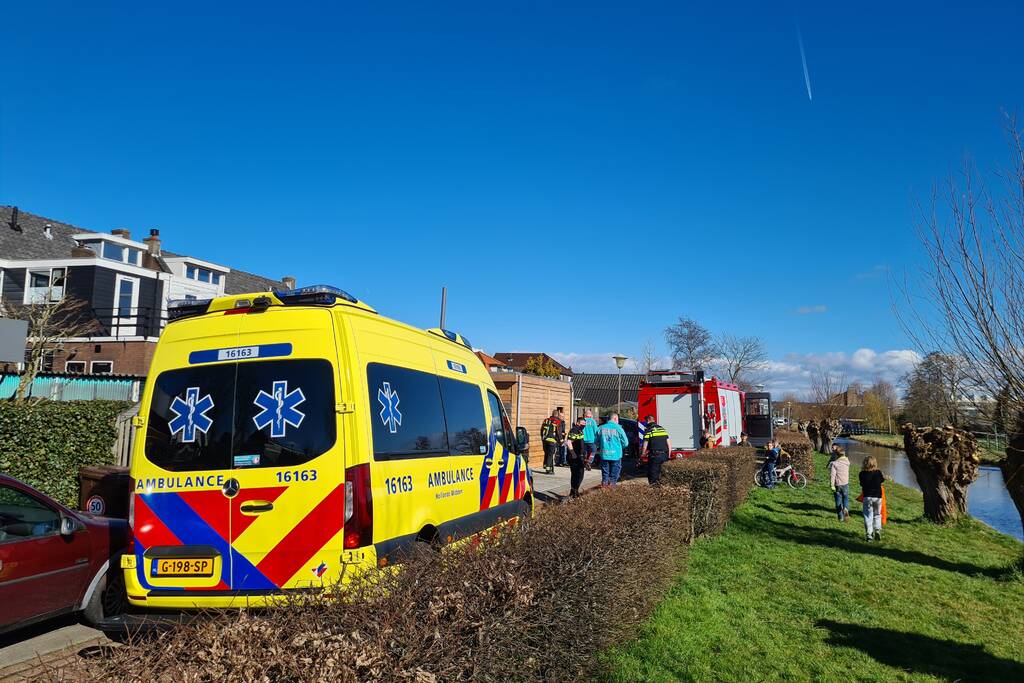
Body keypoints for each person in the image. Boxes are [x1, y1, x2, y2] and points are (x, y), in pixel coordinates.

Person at [596, 413, 629, 487]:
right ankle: (611, 489)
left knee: (605, 474)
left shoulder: (600, 428)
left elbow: (596, 442)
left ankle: (604, 488)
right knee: (614, 475)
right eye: (617, 420)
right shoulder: (619, 428)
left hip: (604, 454)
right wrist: (619, 448)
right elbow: (626, 443)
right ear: (615, 419)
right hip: (616, 455)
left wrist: (601, 447)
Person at [639, 415, 671, 485]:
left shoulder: (649, 430)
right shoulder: (662, 429)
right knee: (663, 474)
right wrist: (668, 456)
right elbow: (669, 444)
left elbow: (645, 445)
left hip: (654, 456)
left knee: (653, 475)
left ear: (648, 421)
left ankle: (654, 491)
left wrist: (642, 454)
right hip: (664, 455)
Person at [859, 455, 885, 541]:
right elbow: (882, 480)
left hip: (867, 497)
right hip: (878, 497)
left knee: (868, 516)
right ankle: (877, 530)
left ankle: (869, 534)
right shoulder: (878, 472)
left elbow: (862, 484)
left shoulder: (862, 474)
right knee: (877, 515)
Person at [566, 416, 588, 498]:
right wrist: (573, 453)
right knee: (576, 474)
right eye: (582, 423)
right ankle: (574, 492)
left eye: (584, 424)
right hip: (574, 457)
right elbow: (568, 442)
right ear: (577, 423)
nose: (583, 425)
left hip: (579, 457)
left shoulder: (580, 430)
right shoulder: (574, 430)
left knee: (580, 474)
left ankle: (575, 491)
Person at [827, 445, 851, 521]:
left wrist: (832, 485)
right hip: (845, 484)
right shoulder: (847, 462)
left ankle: (840, 517)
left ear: (836, 455)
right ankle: (846, 509)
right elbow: (845, 458)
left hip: (837, 485)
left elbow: (832, 475)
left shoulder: (834, 464)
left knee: (838, 501)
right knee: (846, 498)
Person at [540, 409, 564, 475]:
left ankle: (545, 465)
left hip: (545, 440)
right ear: (557, 415)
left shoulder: (546, 420)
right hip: (552, 441)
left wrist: (542, 438)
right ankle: (548, 470)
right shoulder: (557, 422)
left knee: (546, 453)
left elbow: (541, 430)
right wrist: (561, 442)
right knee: (550, 455)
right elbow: (559, 433)